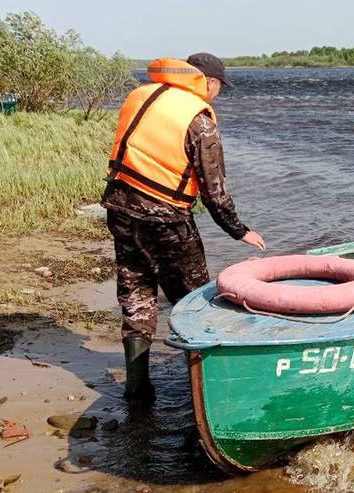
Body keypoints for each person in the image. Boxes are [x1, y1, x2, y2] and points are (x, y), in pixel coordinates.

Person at [101, 53, 265, 405]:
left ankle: (137, 386)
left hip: (120, 210)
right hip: (166, 220)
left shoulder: (141, 96)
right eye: (219, 85)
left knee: (136, 292)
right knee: (195, 300)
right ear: (207, 81)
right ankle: (210, 389)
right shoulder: (198, 120)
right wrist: (239, 231)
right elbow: (214, 191)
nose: (218, 93)